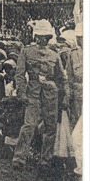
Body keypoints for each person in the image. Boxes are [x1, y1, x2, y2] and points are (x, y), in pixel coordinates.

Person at [12, 20, 68, 171]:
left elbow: (62, 78)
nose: (41, 39)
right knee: (29, 126)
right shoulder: (26, 51)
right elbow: (19, 75)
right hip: (33, 93)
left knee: (50, 128)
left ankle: (46, 161)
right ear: (34, 36)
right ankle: (19, 158)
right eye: (38, 36)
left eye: (44, 36)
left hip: (51, 95)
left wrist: (64, 95)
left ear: (49, 37)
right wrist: (22, 92)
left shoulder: (54, 55)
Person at [67, 23, 83, 124]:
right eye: (79, 38)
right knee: (78, 121)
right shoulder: (73, 53)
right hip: (78, 93)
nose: (80, 40)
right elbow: (69, 76)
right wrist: (69, 95)